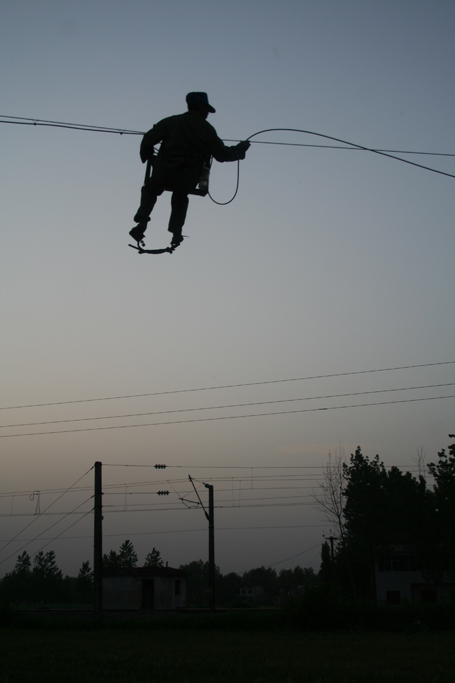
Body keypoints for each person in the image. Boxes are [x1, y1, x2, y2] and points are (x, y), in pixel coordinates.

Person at [130, 92, 250, 248]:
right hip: (188, 176)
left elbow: (148, 139)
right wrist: (241, 149)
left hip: (164, 171)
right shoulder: (206, 129)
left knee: (151, 189)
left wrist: (149, 158)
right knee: (180, 196)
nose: (207, 113)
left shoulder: (171, 122)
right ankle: (176, 233)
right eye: (206, 109)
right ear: (200, 106)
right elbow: (222, 154)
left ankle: (143, 221)